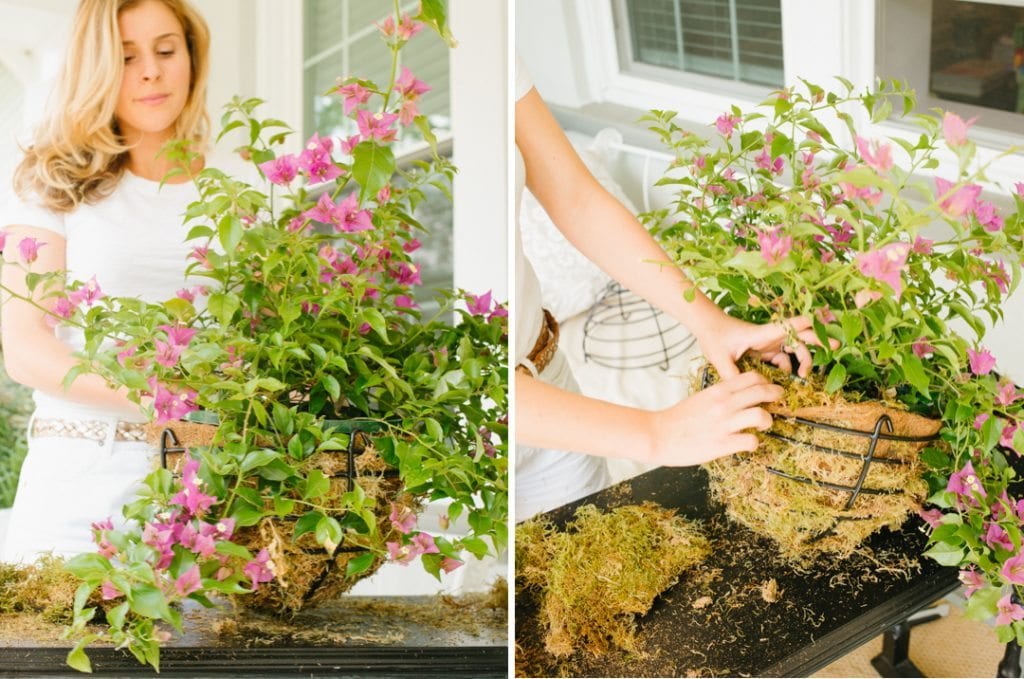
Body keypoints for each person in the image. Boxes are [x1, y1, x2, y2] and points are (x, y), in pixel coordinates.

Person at [514, 57, 832, 520]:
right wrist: (657, 433)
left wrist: (711, 323)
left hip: (549, 382)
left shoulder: (495, 49)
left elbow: (575, 197)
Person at [0, 0, 211, 562]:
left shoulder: (232, 189)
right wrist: (160, 398)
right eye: (125, 57)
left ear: (191, 55)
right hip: (78, 484)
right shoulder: (53, 184)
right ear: (95, 70)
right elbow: (24, 349)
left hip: (206, 491)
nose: (151, 70)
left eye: (167, 50)